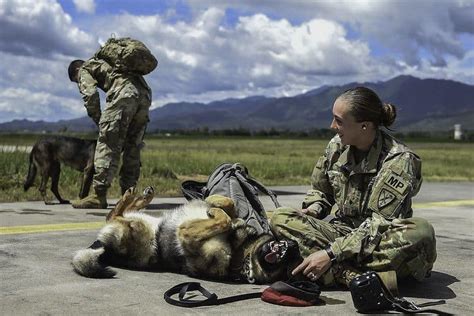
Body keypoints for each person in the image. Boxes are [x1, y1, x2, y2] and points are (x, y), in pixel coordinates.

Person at [268, 87, 437, 288]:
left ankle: (326, 267)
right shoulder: (336, 146)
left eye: (339, 121)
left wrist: (331, 253)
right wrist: (314, 209)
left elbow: (380, 225)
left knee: (420, 232)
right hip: (342, 231)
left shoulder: (399, 160)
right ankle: (353, 276)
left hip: (379, 242)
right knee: (281, 217)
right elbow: (321, 191)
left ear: (364, 126)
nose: (332, 126)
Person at [68, 57, 152, 209]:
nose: (78, 83)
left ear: (76, 71)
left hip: (124, 94)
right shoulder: (112, 63)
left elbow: (90, 95)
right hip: (144, 95)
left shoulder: (85, 68)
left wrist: (99, 120)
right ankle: (129, 197)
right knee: (133, 147)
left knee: (107, 144)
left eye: (76, 81)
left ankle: (98, 196)